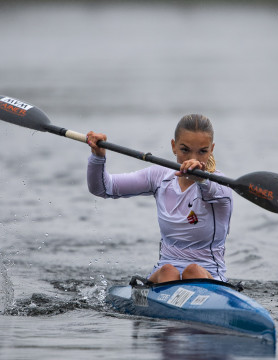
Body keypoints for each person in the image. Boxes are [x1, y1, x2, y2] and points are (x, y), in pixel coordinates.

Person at [86, 114, 233, 284]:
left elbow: (210, 189)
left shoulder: (220, 186)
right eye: (185, 150)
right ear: (173, 146)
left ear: (211, 149)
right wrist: (98, 156)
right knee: (168, 270)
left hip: (209, 277)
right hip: (164, 276)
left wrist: (201, 179)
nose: (193, 159)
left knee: (193, 271)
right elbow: (103, 188)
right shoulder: (159, 177)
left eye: (202, 151)